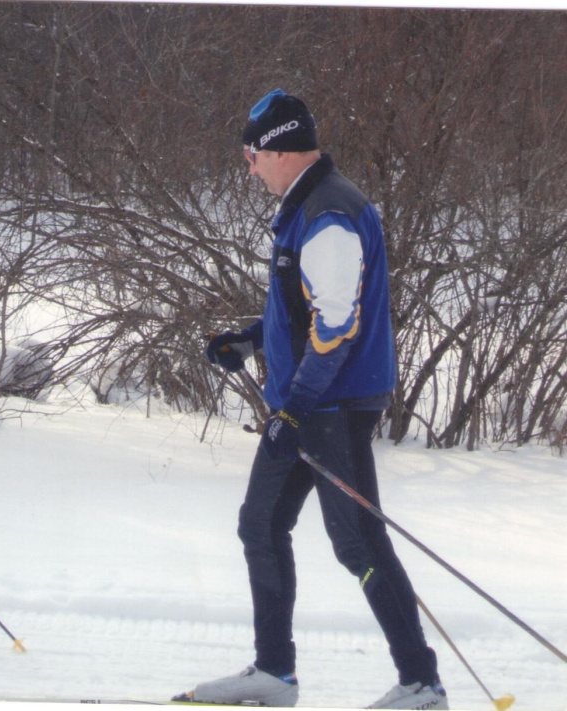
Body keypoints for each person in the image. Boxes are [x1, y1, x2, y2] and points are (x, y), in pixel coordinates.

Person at [180, 90, 446, 709]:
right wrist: (249, 339)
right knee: (262, 524)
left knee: (357, 542)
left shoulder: (328, 215)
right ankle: (274, 673)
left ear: (277, 148)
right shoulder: (309, 207)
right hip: (310, 402)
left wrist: (294, 409)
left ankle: (421, 683)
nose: (248, 168)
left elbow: (336, 327)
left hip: (330, 405)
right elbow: (301, 308)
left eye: (250, 155)